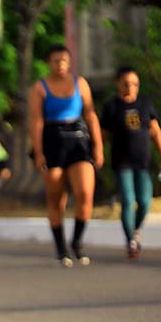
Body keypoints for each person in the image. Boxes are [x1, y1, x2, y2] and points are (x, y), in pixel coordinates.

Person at [28, 44, 104, 267]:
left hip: (78, 140)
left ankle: (77, 241)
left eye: (64, 60)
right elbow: (36, 121)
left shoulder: (80, 83)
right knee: (55, 195)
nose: (60, 65)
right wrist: (39, 152)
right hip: (52, 140)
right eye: (55, 61)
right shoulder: (39, 88)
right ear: (48, 63)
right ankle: (61, 247)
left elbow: (90, 115)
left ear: (69, 62)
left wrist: (98, 146)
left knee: (85, 193)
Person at [101, 66, 161, 259]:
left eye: (134, 84)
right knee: (128, 200)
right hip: (121, 162)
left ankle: (135, 230)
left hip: (142, 162)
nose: (130, 88)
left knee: (144, 202)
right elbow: (102, 136)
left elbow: (156, 132)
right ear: (118, 84)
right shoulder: (111, 107)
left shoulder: (145, 104)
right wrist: (98, 154)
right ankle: (131, 242)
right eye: (126, 84)